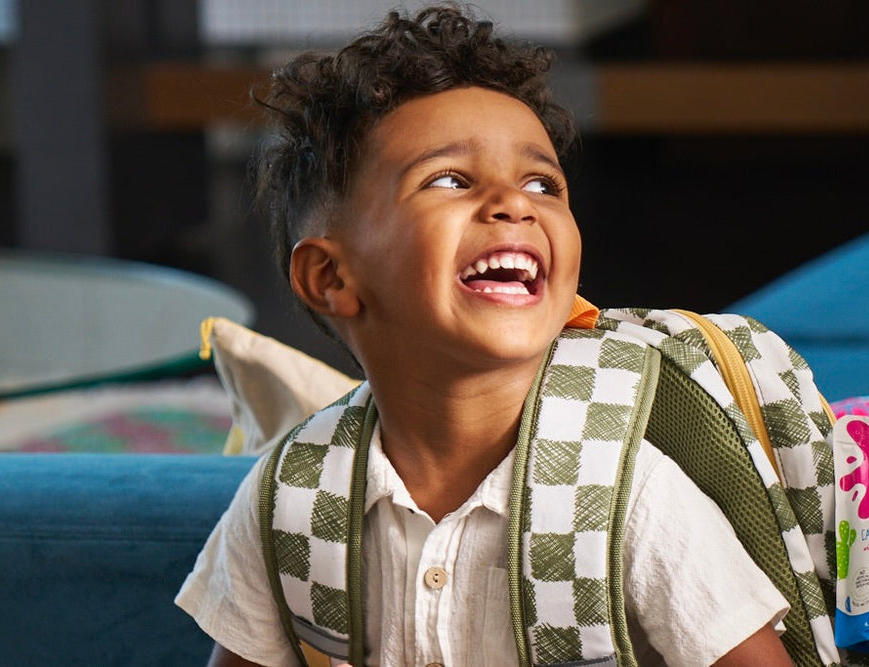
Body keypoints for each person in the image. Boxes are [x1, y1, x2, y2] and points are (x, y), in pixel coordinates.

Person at [175, 7, 792, 666]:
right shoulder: (289, 498)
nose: (514, 203)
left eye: (542, 183)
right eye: (451, 180)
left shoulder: (633, 494)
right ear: (331, 276)